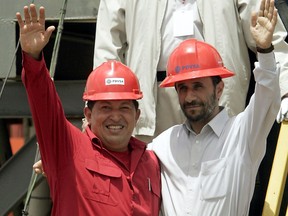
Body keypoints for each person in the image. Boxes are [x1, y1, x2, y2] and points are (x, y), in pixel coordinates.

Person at [16, 4, 161, 215]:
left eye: (124, 107)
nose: (115, 116)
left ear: (137, 115)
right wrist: (33, 57)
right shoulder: (68, 150)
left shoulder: (152, 163)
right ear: (88, 114)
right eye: (105, 107)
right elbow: (45, 105)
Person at [148, 0, 281, 215]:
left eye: (198, 86)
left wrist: (265, 51)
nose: (189, 96)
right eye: (182, 88)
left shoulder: (242, 135)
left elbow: (268, 95)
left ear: (219, 89)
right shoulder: (163, 145)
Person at [93, 0, 288, 143]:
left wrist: (286, 88)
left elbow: (268, 33)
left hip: (215, 95)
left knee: (219, 177)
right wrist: (97, 108)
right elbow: (107, 49)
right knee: (156, 179)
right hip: (154, 99)